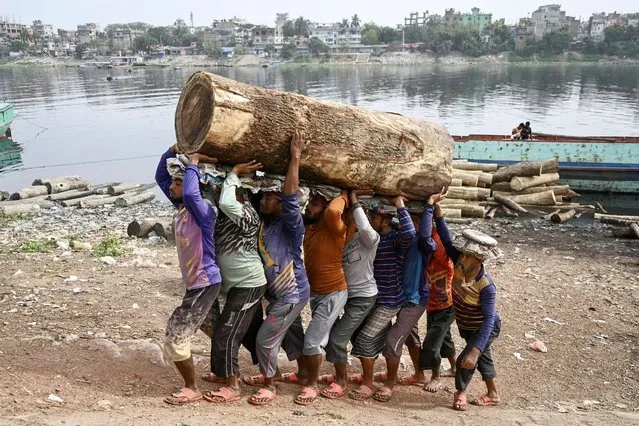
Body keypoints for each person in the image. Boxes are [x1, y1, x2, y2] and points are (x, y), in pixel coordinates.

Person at [242, 131, 310, 405]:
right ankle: (304, 375)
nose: (262, 201)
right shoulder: (264, 223)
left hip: (292, 294)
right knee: (292, 336)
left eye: (268, 198)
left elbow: (291, 198)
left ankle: (269, 385)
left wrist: (295, 158)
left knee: (265, 339)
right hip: (278, 296)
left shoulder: (290, 225)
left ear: (279, 201)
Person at [155, 144, 222, 405]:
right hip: (197, 284)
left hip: (205, 281)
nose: (172, 186)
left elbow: (193, 195)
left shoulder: (205, 212)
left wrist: (193, 162)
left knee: (176, 334)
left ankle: (191, 387)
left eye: (178, 182)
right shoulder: (182, 208)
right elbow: (161, 177)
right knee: (215, 329)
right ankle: (229, 372)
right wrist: (170, 151)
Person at [203, 159, 268, 403]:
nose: (221, 194)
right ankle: (262, 372)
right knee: (249, 333)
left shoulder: (247, 215)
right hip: (239, 285)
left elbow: (227, 200)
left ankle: (232, 384)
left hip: (249, 284)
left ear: (240, 194)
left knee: (226, 332)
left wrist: (234, 174)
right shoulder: (224, 217)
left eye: (227, 189)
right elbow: (211, 195)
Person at [433, 199, 503, 411]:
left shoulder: (486, 286)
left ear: (478, 260)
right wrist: (439, 215)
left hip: (484, 327)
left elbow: (489, 320)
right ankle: (493, 394)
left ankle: (460, 392)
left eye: (467, 255)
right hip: (467, 325)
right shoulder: (461, 262)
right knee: (484, 359)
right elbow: (446, 240)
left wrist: (474, 350)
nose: (462, 257)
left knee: (468, 359)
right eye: (463, 253)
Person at [349, 197, 415, 401]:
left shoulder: (395, 240)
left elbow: (410, 233)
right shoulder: (372, 238)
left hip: (389, 301)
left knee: (365, 339)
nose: (369, 220)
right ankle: (372, 378)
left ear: (386, 220)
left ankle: (380, 383)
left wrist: (400, 206)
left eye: (374, 217)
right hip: (374, 298)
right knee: (368, 338)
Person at [373, 196, 439, 402]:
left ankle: (390, 383)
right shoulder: (399, 239)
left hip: (415, 299)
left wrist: (428, 207)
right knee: (409, 336)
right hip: (402, 297)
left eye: (412, 221)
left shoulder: (423, 243)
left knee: (393, 340)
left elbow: (424, 232)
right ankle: (419, 374)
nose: (405, 224)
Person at [319, 189, 380, 399]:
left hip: (363, 297)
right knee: (357, 338)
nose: (345, 220)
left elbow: (365, 227)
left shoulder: (369, 240)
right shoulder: (345, 240)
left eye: (349, 217)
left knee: (337, 339)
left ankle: (341, 381)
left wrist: (352, 200)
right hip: (347, 295)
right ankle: (363, 379)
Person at [295, 189, 350, 405]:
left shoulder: (335, 228)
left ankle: (312, 384)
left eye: (315, 204)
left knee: (312, 341)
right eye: (310, 202)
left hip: (333, 293)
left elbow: (333, 212)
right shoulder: (310, 225)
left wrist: (344, 196)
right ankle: (341, 379)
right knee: (333, 340)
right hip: (317, 294)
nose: (309, 206)